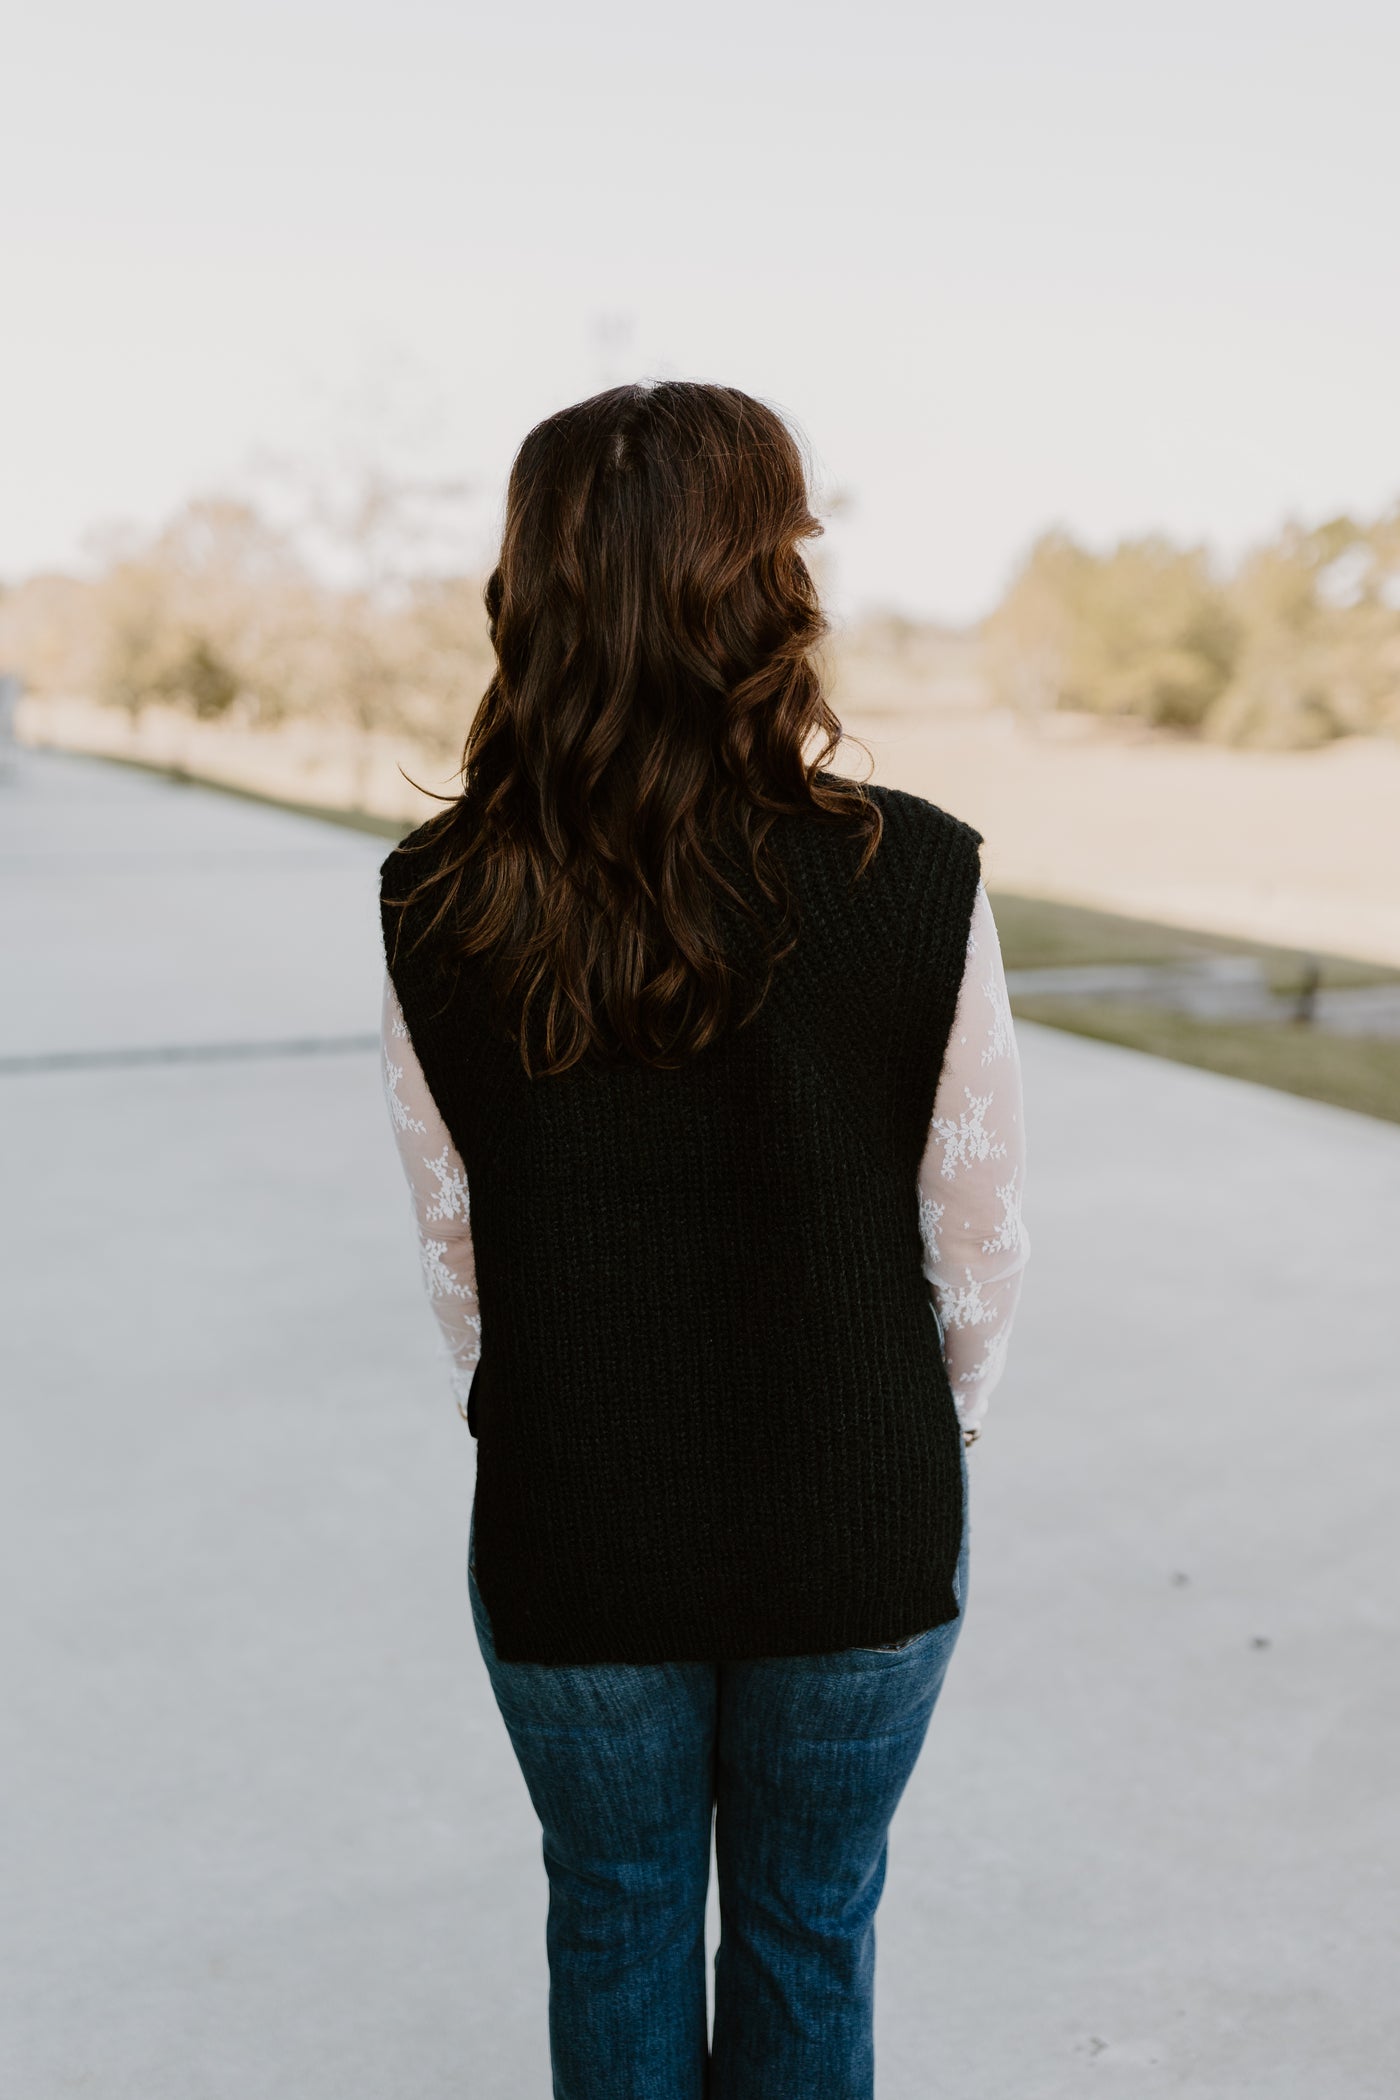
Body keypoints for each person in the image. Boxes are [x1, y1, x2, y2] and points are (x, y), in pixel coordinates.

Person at [378, 381, 1028, 2100]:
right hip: (859, 1520)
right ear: (770, 585)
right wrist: (895, 1437)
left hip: (574, 1512)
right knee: (813, 1929)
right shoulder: (922, 875)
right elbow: (977, 1253)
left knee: (612, 1915)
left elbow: (463, 1271)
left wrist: (571, 1409)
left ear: (534, 587)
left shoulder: (435, 896)